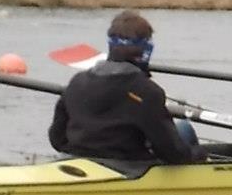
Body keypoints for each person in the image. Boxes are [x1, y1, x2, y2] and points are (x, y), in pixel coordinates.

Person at [49, 11, 204, 164]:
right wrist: (199, 154)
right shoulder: (147, 91)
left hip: (80, 160)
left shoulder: (77, 81)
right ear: (145, 50)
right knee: (185, 129)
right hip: (128, 166)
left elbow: (57, 139)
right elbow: (173, 154)